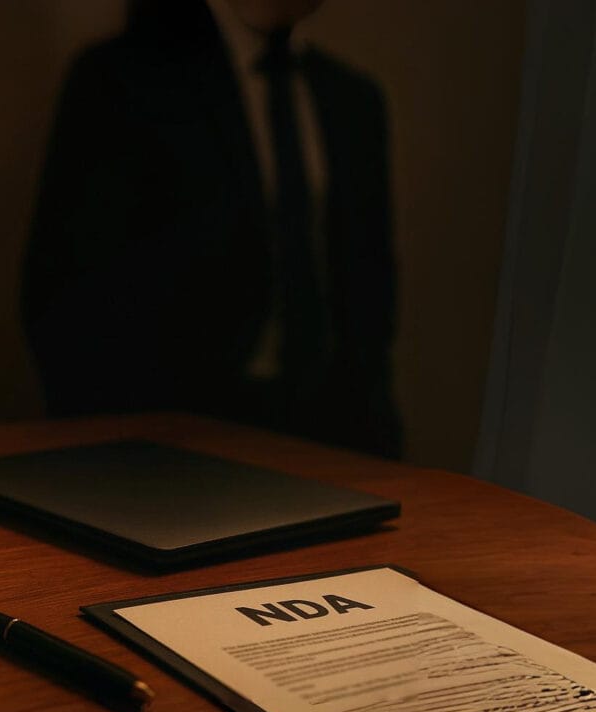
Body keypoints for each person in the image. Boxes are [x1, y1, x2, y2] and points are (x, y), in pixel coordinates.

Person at [22, 0, 401, 458]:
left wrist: (377, 437)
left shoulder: (350, 98)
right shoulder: (127, 78)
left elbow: (369, 291)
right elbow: (68, 294)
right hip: (174, 442)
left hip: (325, 433)